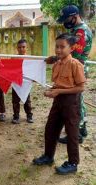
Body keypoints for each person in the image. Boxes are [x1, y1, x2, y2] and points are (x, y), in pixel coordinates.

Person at [33, 33, 86, 175]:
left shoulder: (76, 65)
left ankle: (73, 163)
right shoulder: (57, 64)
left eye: (62, 47)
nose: (58, 50)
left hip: (71, 103)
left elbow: (81, 87)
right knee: (51, 128)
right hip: (58, 101)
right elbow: (58, 84)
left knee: (72, 133)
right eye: (56, 46)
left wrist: (59, 91)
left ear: (71, 48)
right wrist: (52, 90)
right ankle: (48, 156)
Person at [46, 5, 92, 144]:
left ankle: (76, 132)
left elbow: (73, 55)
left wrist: (56, 58)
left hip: (75, 69)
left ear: (75, 16)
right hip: (73, 67)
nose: (65, 21)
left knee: (75, 100)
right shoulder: (76, 30)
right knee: (78, 100)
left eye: (67, 18)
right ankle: (81, 128)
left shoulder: (81, 33)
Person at [11, 39, 33, 124]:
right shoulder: (13, 58)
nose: (21, 49)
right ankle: (16, 116)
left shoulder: (30, 58)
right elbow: (10, 69)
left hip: (26, 83)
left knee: (27, 100)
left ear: (26, 47)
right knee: (15, 101)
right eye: (19, 47)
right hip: (16, 82)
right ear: (17, 48)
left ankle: (29, 115)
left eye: (23, 47)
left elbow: (32, 70)